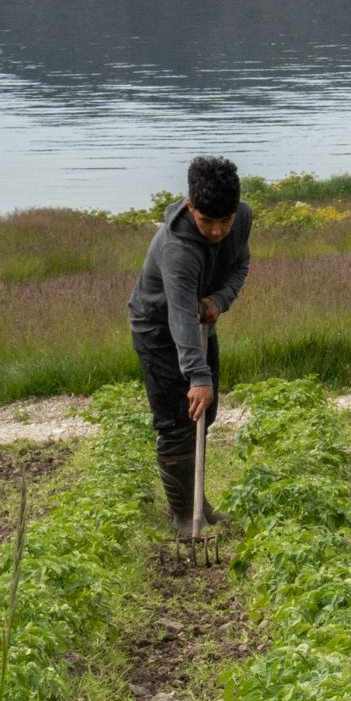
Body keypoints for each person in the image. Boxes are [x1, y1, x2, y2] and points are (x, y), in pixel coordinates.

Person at [129, 155, 253, 534]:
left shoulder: (242, 218)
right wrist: (197, 375)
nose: (217, 232)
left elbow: (240, 264)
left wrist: (219, 299)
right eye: (207, 222)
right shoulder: (176, 250)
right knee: (177, 422)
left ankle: (198, 504)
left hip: (200, 322)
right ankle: (184, 514)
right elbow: (179, 314)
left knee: (204, 414)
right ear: (190, 205)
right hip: (158, 331)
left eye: (225, 222)